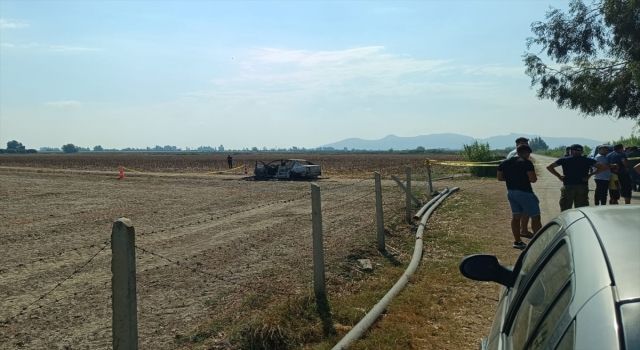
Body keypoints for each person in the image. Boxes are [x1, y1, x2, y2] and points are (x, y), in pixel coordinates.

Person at [498, 144, 542, 250]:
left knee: (516, 217)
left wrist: (512, 178)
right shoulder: (526, 163)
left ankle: (517, 241)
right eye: (528, 154)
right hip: (525, 192)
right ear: (525, 153)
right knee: (535, 217)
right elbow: (533, 179)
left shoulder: (504, 162)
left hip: (511, 192)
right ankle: (540, 242)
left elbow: (500, 178)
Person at [546, 144, 608, 211]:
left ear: (571, 151)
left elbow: (549, 167)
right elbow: (603, 167)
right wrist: (590, 175)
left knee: (565, 208)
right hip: (582, 186)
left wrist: (559, 176)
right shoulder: (587, 160)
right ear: (582, 152)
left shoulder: (564, 160)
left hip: (568, 186)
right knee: (581, 209)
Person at [505, 137, 534, 237]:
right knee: (525, 212)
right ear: (516, 144)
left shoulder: (513, 154)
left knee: (518, 213)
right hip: (521, 188)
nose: (524, 145)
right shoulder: (515, 155)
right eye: (521, 143)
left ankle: (521, 232)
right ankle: (524, 230)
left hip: (513, 188)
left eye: (525, 143)